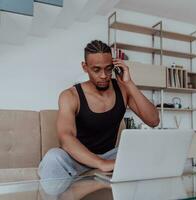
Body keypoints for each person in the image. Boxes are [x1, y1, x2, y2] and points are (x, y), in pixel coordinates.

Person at [38, 40, 160, 179]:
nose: (103, 75)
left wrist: (129, 84)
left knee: (146, 150)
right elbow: (66, 138)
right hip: (78, 157)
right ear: (85, 67)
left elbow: (154, 120)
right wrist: (101, 163)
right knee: (53, 157)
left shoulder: (123, 89)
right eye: (96, 69)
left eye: (108, 69)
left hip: (109, 155)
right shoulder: (70, 95)